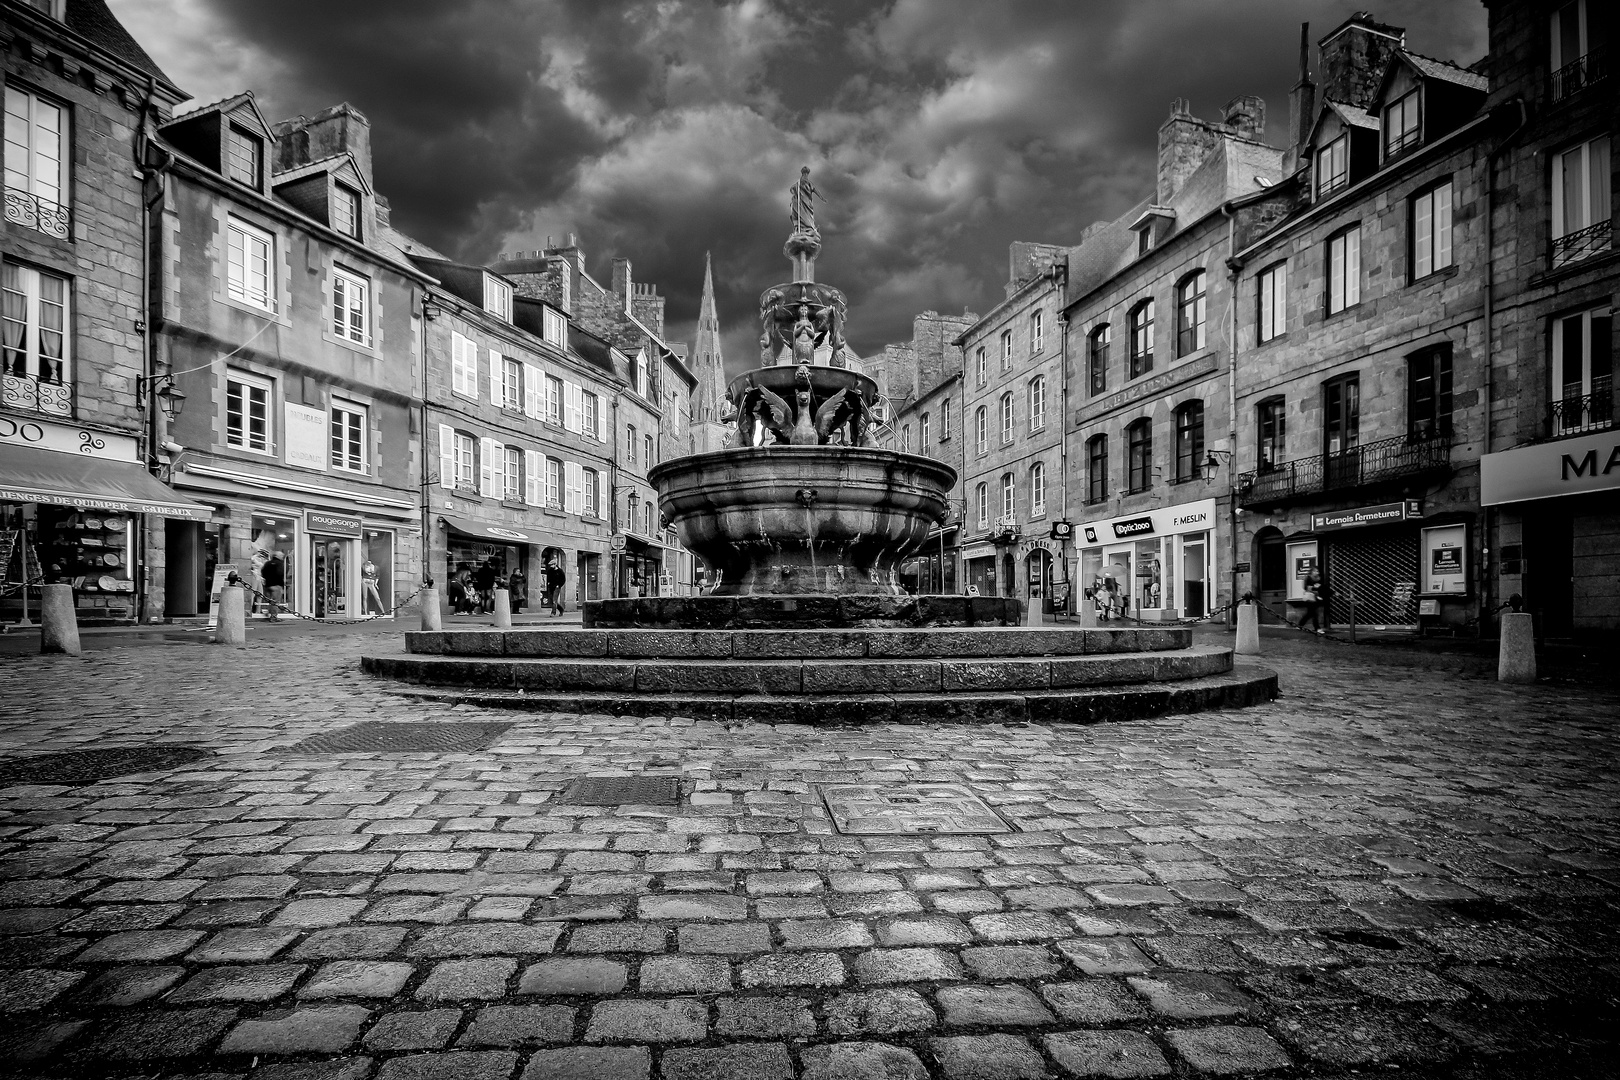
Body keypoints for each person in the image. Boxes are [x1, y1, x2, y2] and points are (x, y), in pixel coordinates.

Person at [260, 552, 286, 621]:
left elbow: (263, 572)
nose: (283, 557)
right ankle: (273, 617)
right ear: (278, 556)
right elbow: (280, 573)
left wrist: (267, 580)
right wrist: (281, 583)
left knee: (270, 601)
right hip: (276, 585)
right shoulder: (280, 564)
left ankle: (269, 613)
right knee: (275, 602)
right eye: (282, 556)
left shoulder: (267, 563)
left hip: (268, 585)